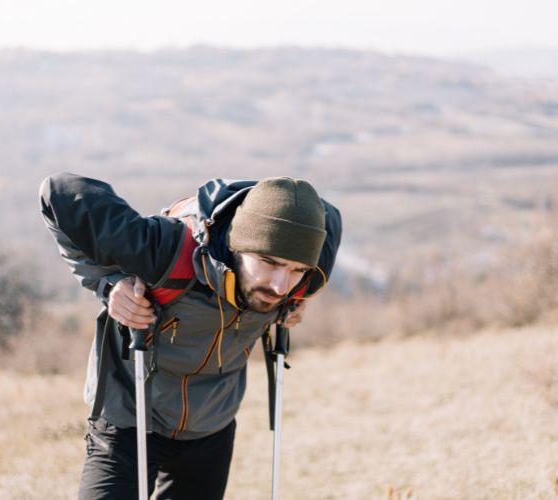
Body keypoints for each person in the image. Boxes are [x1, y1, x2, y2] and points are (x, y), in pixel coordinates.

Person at [39, 173, 341, 499]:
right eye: (269, 262)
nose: (280, 285)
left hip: (212, 429)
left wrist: (299, 297)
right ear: (239, 245)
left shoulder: (308, 268)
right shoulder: (162, 250)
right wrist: (107, 283)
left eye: (297, 270)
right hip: (131, 421)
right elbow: (58, 193)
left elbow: (330, 216)